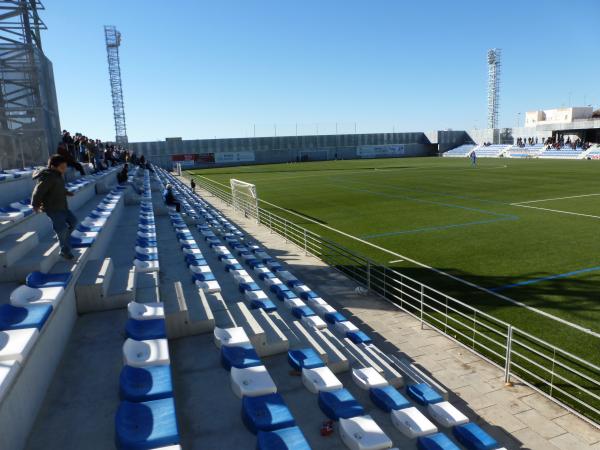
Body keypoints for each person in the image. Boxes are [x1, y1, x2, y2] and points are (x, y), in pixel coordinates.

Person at [31, 155, 77, 260]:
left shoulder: (57, 175)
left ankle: (61, 236)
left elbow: (59, 188)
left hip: (62, 206)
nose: (64, 170)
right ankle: (64, 251)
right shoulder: (48, 177)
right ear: (53, 166)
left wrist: (67, 192)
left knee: (73, 222)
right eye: (62, 167)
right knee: (63, 229)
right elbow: (38, 192)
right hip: (52, 208)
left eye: (65, 167)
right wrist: (35, 205)